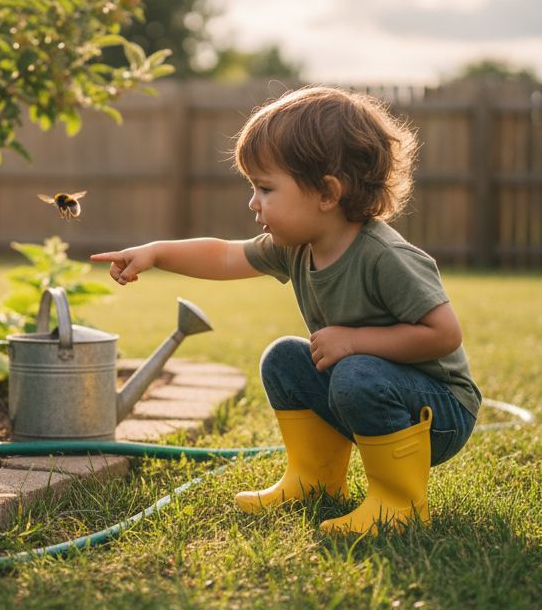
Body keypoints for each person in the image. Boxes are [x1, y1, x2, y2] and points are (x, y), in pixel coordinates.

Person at [90, 86, 480, 536]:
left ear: (328, 193)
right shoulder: (295, 247)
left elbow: (443, 334)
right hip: (368, 390)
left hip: (437, 414)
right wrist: (157, 253)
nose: (253, 202)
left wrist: (355, 342)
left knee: (355, 371)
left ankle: (399, 502)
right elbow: (223, 256)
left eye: (266, 188)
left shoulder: (385, 257)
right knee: (285, 359)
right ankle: (314, 481)